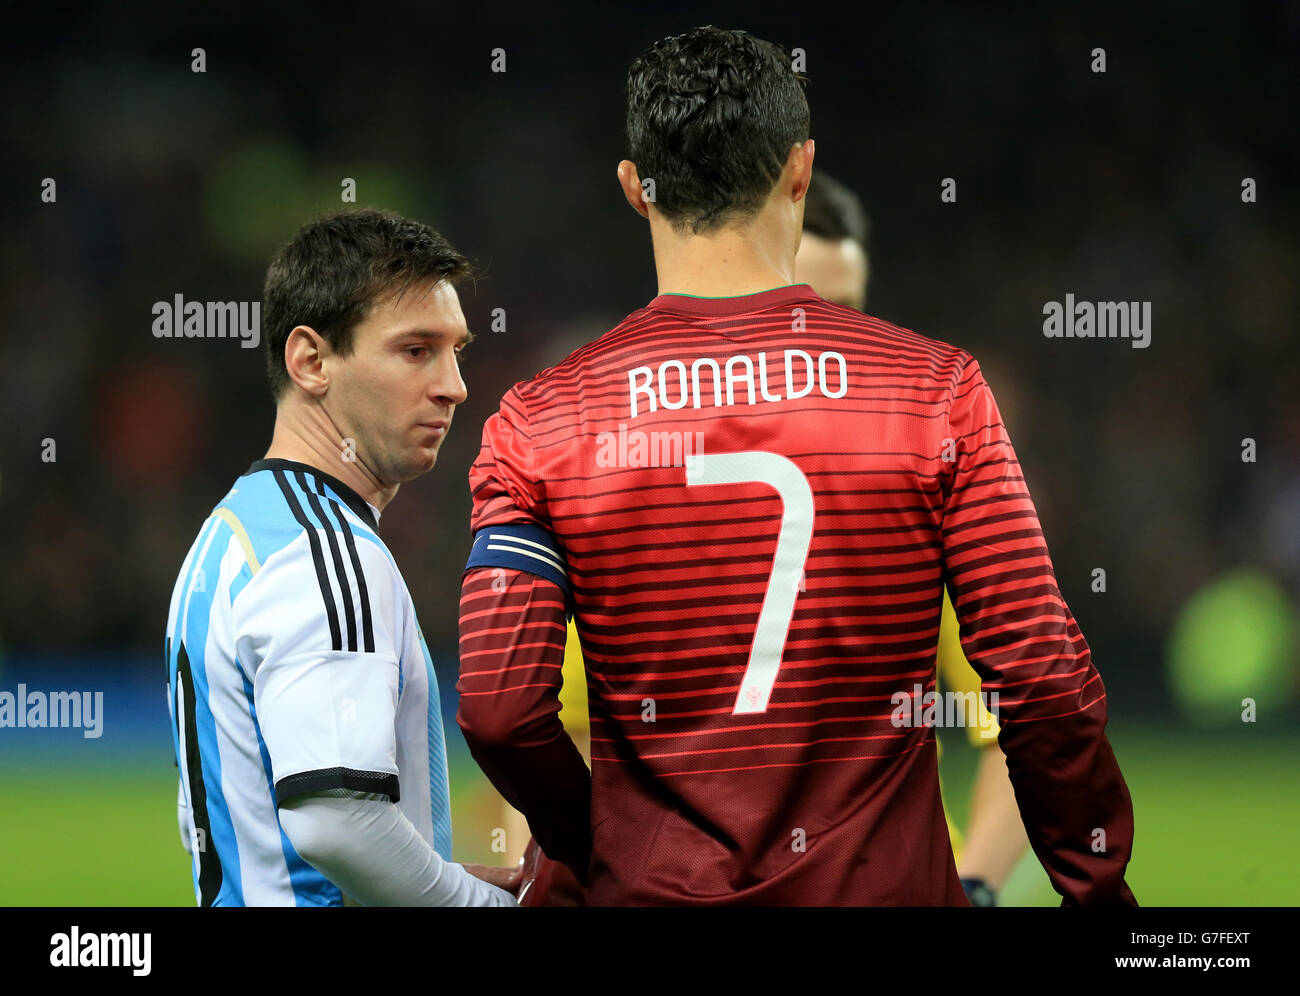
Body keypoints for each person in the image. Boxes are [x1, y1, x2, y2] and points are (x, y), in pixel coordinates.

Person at [457, 26, 1136, 905]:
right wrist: (1099, 896)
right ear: (800, 170)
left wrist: (595, 847)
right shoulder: (935, 393)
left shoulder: (541, 421)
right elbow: (1040, 677)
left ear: (634, 188)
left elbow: (500, 713)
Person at [165, 208, 518, 906]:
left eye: (457, 350)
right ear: (311, 361)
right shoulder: (323, 553)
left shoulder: (238, 530)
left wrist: (453, 878)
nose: (454, 384)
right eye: (416, 350)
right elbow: (339, 823)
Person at [795, 171, 1030, 905]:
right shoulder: (640, 493)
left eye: (853, 315)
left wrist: (979, 885)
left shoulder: (922, 498)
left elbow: (1028, 722)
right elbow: (560, 736)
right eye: (807, 315)